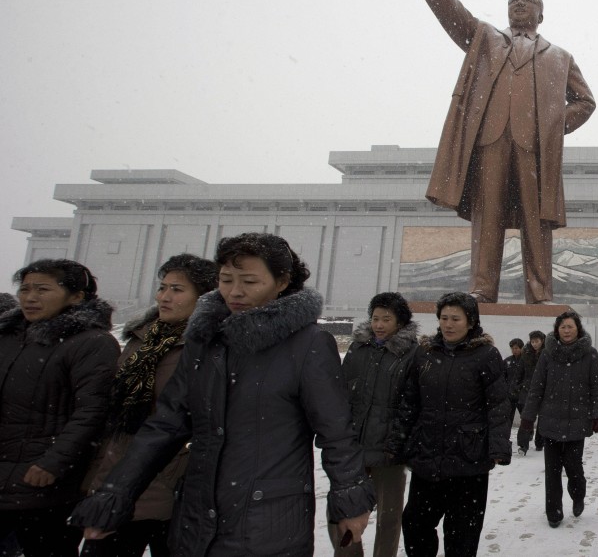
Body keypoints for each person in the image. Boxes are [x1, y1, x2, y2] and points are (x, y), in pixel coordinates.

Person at [70, 233, 375, 556]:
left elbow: (336, 431)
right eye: (226, 280)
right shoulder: (204, 340)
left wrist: (350, 497)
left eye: (249, 281)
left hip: (269, 517)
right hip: (197, 512)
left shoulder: (308, 344)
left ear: (282, 282)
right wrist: (116, 494)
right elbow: (166, 424)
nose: (235, 291)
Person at [389, 0, 596, 305]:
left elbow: (585, 102)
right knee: (489, 218)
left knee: (537, 222)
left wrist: (552, 125)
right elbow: (446, 8)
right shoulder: (484, 38)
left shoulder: (559, 56)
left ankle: (539, 293)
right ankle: (483, 288)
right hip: (489, 140)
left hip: (534, 148)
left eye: (528, 0)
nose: (519, 3)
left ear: (541, 13)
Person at [81, 254, 218, 557]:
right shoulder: (142, 339)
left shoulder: (211, 347)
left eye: (177, 290)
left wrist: (174, 469)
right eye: (162, 287)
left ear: (206, 297)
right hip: (118, 476)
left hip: (171, 485)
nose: (164, 297)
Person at [0, 260, 119, 557]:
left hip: (43, 484)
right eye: (25, 289)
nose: (30, 297)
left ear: (77, 296)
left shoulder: (91, 343)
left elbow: (93, 411)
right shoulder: (8, 338)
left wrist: (53, 462)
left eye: (42, 289)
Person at [390, 292, 511, 557]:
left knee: (462, 536)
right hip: (428, 456)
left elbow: (499, 405)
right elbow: (410, 401)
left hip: (469, 459)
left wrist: (499, 446)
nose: (449, 324)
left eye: (456, 318)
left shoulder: (486, 355)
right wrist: (398, 440)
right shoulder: (425, 353)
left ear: (470, 322)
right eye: (444, 318)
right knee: (415, 525)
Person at [337, 292, 419, 557]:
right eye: (375, 318)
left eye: (387, 319)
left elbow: (411, 404)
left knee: (389, 516)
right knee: (346, 511)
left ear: (400, 322)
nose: (379, 324)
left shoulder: (411, 354)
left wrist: (398, 440)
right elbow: (342, 392)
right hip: (355, 445)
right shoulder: (358, 349)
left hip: (389, 448)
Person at [520, 311, 598, 528]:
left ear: (578, 329)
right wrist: (528, 417)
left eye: (570, 326)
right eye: (563, 327)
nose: (566, 331)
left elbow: (597, 387)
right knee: (552, 471)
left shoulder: (590, 354)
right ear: (557, 330)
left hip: (577, 422)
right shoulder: (547, 355)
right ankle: (554, 512)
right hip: (550, 423)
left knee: (574, 468)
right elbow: (536, 387)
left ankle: (578, 495)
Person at [517, 330, 546, 455]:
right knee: (526, 416)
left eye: (537, 341)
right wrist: (517, 386)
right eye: (532, 341)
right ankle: (523, 446)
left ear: (542, 341)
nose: (534, 344)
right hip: (528, 389)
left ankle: (540, 442)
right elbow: (520, 372)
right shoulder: (526, 353)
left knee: (543, 417)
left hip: (544, 390)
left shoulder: (547, 353)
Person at [504, 337, 525, 429]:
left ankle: (527, 435)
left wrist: (521, 388)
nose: (514, 350)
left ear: (521, 348)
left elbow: (528, 378)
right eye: (512, 348)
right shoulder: (507, 361)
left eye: (516, 348)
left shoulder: (526, 361)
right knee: (508, 418)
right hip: (509, 395)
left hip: (522, 395)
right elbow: (502, 377)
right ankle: (506, 439)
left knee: (525, 418)